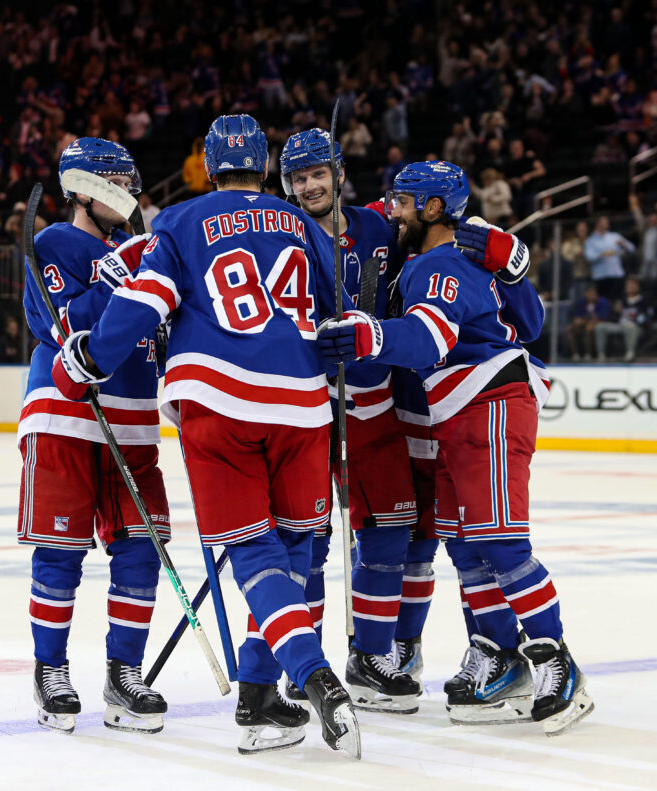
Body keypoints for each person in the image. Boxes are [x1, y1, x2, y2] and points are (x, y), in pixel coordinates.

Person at [51, 115, 361, 758]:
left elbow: (144, 304)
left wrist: (92, 358)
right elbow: (339, 305)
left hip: (218, 401)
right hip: (304, 406)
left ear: (211, 166)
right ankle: (257, 696)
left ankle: (315, 677)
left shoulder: (179, 222)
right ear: (266, 168)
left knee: (252, 554)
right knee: (297, 549)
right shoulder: (301, 223)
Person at [318, 161, 593, 737]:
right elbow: (529, 321)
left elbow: (430, 338)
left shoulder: (439, 264)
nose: (391, 210)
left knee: (499, 541)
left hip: (487, 399)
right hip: (457, 410)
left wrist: (369, 335)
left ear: (434, 208)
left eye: (401, 202)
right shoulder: (438, 259)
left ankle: (556, 662)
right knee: (466, 547)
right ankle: (498, 658)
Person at [18, 138, 171, 737]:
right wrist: (112, 278)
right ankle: (50, 670)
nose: (127, 196)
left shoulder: (135, 251)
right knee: (61, 552)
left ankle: (124, 674)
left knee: (142, 548)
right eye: (115, 185)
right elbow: (60, 323)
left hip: (132, 421)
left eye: (131, 185)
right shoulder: (56, 242)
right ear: (82, 190)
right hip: (65, 414)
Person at [279, 128, 421, 713]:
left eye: (318, 173)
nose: (310, 186)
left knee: (390, 532)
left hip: (377, 402)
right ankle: (304, 669)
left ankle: (370, 657)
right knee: (308, 541)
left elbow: (430, 249)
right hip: (313, 409)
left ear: (338, 173)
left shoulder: (380, 226)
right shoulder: (284, 238)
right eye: (298, 178)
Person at [595, 277, 649, 361]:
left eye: (632, 286)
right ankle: (601, 354)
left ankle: (630, 353)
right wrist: (616, 312)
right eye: (627, 286)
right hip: (620, 326)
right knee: (600, 326)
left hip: (636, 327)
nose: (629, 287)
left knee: (629, 325)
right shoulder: (621, 301)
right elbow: (611, 318)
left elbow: (645, 318)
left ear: (638, 287)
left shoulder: (644, 301)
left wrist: (635, 318)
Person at [583, 216, 634, 301]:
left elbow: (632, 249)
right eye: (604, 222)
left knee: (617, 301)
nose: (607, 223)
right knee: (603, 301)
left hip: (616, 275)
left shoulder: (614, 236)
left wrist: (623, 244)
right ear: (598, 224)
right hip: (600, 277)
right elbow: (589, 257)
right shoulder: (590, 240)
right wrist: (603, 254)